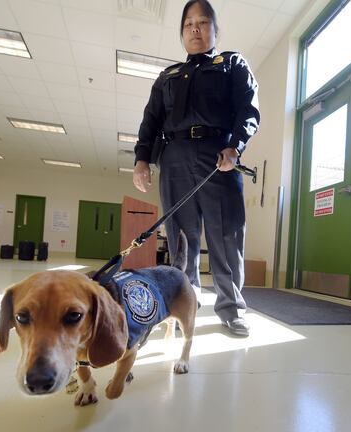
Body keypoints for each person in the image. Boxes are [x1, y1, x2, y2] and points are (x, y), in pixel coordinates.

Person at [133, 0, 260, 336]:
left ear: (215, 30)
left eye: (203, 22)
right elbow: (151, 120)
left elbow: (248, 110)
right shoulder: (168, 76)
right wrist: (141, 159)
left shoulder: (231, 64)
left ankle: (231, 309)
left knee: (225, 236)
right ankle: (183, 306)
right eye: (189, 23)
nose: (195, 29)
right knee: (181, 240)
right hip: (173, 158)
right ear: (182, 33)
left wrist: (236, 147)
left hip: (218, 157)